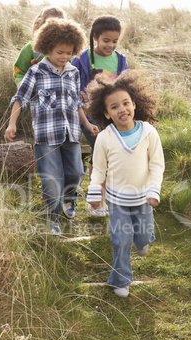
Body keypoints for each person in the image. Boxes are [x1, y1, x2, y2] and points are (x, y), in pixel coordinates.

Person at [5, 19, 99, 235]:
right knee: (52, 179)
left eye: (69, 52)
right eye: (60, 52)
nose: (64, 57)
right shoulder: (36, 72)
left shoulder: (73, 72)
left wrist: (87, 124)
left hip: (71, 133)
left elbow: (76, 103)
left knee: (75, 172)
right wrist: (12, 124)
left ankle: (69, 199)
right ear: (46, 48)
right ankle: (53, 217)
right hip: (46, 136)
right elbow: (20, 98)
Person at [86, 70, 165, 297]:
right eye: (114, 107)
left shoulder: (149, 133)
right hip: (117, 200)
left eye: (126, 103)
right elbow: (99, 169)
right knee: (121, 239)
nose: (122, 109)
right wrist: (94, 194)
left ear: (135, 105)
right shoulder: (104, 138)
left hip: (144, 198)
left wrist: (154, 190)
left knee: (142, 237)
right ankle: (121, 280)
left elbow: (157, 165)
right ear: (107, 113)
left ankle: (143, 240)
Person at [71, 15, 129, 217]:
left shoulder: (120, 60)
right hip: (89, 117)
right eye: (106, 40)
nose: (110, 45)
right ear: (95, 37)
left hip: (112, 116)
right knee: (99, 154)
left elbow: (126, 87)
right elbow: (71, 82)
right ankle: (96, 201)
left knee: (113, 157)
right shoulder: (82, 59)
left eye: (115, 41)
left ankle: (111, 197)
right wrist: (79, 92)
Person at [13, 7, 65, 87]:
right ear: (41, 24)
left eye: (58, 24)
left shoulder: (68, 48)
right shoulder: (30, 48)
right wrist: (22, 85)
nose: (54, 29)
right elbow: (19, 71)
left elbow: (75, 70)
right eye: (49, 24)